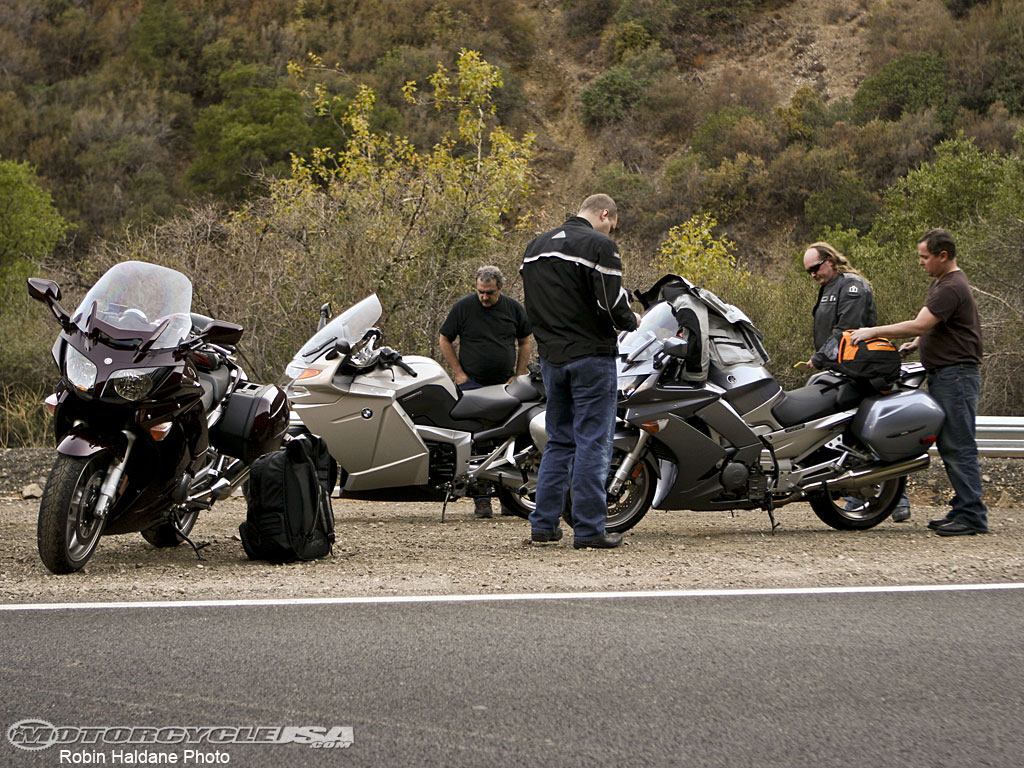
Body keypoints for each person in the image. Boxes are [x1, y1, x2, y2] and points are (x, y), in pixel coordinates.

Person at [850, 228, 989, 536]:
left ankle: (972, 515)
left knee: (958, 444)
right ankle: (963, 508)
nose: (921, 263)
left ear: (943, 256)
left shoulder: (950, 286)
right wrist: (916, 342)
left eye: (925, 257)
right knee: (951, 443)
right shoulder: (943, 283)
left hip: (956, 376)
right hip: (946, 374)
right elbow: (934, 327)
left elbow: (922, 322)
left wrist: (874, 332)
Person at [519, 194, 638, 549]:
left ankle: (543, 525)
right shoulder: (600, 245)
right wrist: (632, 321)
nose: (611, 230)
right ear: (604, 214)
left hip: (552, 359)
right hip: (592, 357)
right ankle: (589, 530)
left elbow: (533, 307)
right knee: (593, 441)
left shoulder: (534, 248)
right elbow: (610, 302)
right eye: (611, 224)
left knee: (559, 440)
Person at [802, 242, 912, 522]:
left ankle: (896, 499)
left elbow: (846, 330)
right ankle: (850, 489)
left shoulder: (853, 286)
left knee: (863, 430)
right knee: (846, 431)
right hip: (842, 368)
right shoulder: (829, 287)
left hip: (860, 369)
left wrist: (819, 357)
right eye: (809, 272)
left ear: (829, 261)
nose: (813, 275)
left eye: (815, 268)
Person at [439, 265, 531, 518]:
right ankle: (481, 500)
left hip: (506, 386)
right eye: (480, 291)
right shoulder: (464, 308)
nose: (484, 297)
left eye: (489, 292)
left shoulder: (513, 308)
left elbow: (525, 341)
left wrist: (519, 374)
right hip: (473, 386)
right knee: (478, 441)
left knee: (507, 440)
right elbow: (445, 338)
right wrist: (459, 374)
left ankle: (509, 499)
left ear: (500, 288)